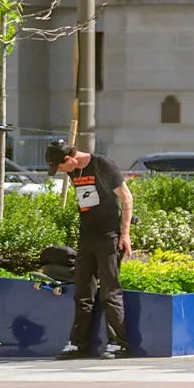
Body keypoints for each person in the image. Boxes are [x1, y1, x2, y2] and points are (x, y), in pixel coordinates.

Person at [49, 140, 130, 358]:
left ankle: (118, 343)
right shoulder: (73, 170)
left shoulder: (102, 165)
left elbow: (126, 197)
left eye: (60, 166)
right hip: (86, 238)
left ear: (69, 158)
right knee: (83, 292)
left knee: (110, 292)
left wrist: (125, 234)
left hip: (109, 237)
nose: (61, 171)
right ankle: (79, 344)